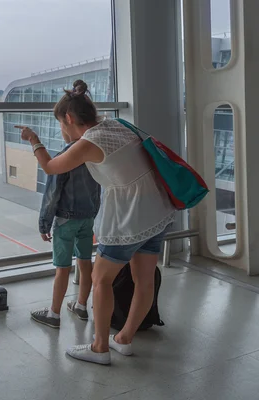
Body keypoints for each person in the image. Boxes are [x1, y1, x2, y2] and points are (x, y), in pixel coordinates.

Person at [17, 79, 175, 365]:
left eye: (62, 124)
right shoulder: (116, 126)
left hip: (128, 217)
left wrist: (34, 140)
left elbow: (51, 167)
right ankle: (124, 339)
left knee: (101, 280)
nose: (63, 130)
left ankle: (100, 347)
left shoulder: (89, 142)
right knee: (144, 280)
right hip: (157, 209)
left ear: (68, 118)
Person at [30, 128, 100, 329]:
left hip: (66, 220)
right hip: (87, 218)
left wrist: (44, 223)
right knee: (85, 262)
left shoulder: (64, 157)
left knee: (62, 268)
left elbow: (52, 195)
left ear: (68, 125)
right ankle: (81, 305)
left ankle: (53, 314)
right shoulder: (92, 153)